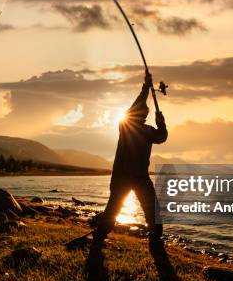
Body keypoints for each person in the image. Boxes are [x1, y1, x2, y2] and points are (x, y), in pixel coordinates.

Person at [68, 73, 167, 249]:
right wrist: (161, 122)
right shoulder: (147, 131)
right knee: (152, 210)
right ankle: (155, 239)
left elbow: (138, 108)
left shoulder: (125, 126)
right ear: (144, 116)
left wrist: (145, 87)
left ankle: (99, 237)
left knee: (113, 209)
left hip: (122, 176)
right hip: (140, 177)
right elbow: (162, 136)